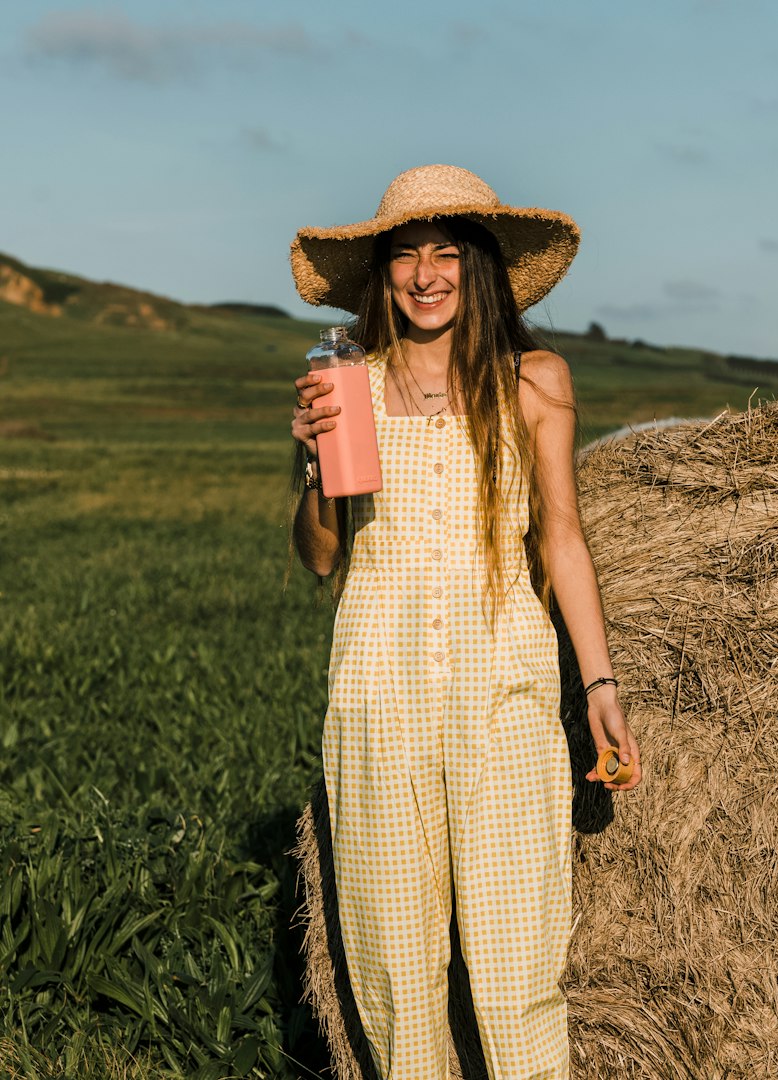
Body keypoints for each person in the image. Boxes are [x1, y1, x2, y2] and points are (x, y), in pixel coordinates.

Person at [288, 164, 641, 1080]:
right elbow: (323, 556)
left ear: (479, 267)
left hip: (506, 702)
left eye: (446, 253)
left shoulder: (535, 381)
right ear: (382, 276)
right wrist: (317, 467)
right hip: (378, 703)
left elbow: (562, 535)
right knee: (397, 979)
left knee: (519, 968)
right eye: (405, 257)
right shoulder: (345, 383)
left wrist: (600, 686)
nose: (426, 274)